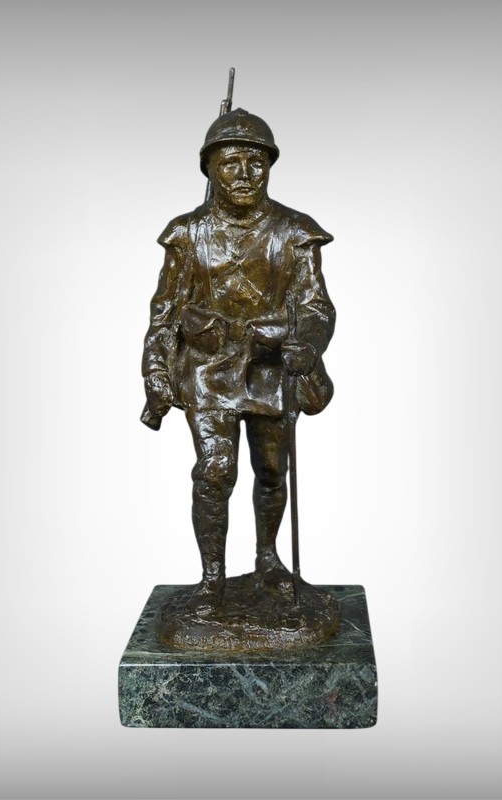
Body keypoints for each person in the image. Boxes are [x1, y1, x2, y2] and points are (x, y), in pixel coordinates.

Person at [142, 108, 335, 615]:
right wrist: (156, 371)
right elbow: (164, 312)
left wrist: (307, 342)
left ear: (270, 167)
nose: (245, 174)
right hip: (207, 371)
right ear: (210, 169)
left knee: (271, 472)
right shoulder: (187, 234)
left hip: (270, 369)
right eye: (230, 163)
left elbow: (316, 305)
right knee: (214, 471)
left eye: (256, 162)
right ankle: (212, 580)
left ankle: (268, 560)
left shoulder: (294, 233)